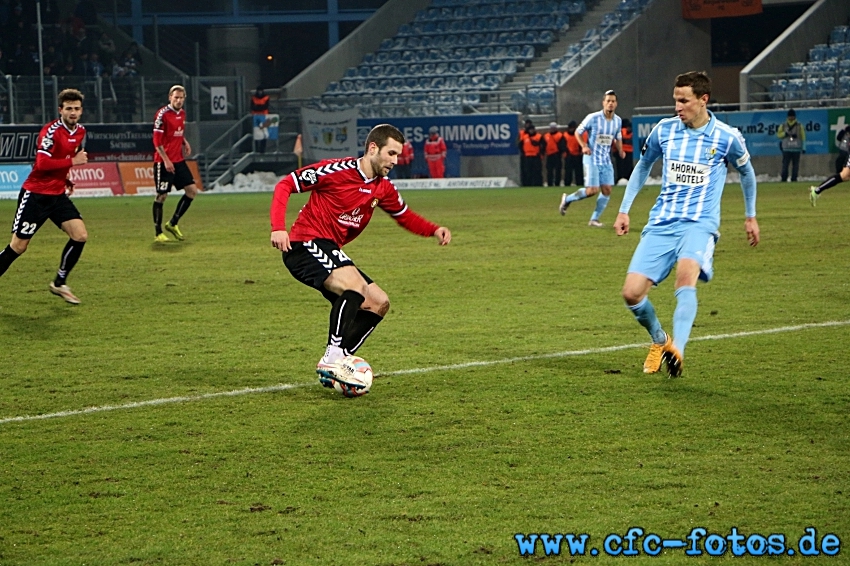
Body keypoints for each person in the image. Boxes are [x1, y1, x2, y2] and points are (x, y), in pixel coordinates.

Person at [270, 123, 451, 388]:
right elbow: (286, 184)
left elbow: (405, 216)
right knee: (355, 286)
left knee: (378, 302)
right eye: (391, 153)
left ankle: (340, 362)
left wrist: (434, 230)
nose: (394, 161)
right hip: (303, 244)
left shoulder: (383, 188)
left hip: (329, 248)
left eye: (398, 156)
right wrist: (278, 228)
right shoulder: (335, 171)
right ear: (373, 148)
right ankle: (332, 358)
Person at [613, 71, 759, 377]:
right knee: (631, 293)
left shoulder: (726, 137)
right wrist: (624, 210)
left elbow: (747, 174)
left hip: (699, 224)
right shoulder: (664, 131)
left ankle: (677, 349)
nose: (678, 106)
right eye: (675, 100)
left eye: (684, 100)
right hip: (662, 222)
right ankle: (661, 340)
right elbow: (642, 167)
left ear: (703, 100)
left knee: (685, 278)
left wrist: (750, 216)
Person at [0, 88, 89, 304]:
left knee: (80, 235)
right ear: (60, 110)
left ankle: (59, 283)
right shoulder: (50, 132)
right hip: (36, 195)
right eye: (69, 109)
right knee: (18, 246)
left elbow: (64, 156)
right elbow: (42, 164)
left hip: (57, 195)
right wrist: (72, 162)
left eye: (76, 108)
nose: (73, 112)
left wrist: (65, 178)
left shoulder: (80, 131)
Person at [559, 90, 625, 226]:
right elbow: (578, 132)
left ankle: (594, 219)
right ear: (603, 103)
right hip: (592, 158)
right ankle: (568, 199)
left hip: (606, 160)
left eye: (613, 101)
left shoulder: (617, 121)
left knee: (607, 190)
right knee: (592, 191)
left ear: (616, 104)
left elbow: (618, 137)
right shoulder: (593, 118)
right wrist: (584, 146)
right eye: (608, 101)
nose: (610, 104)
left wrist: (620, 150)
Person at [151, 85, 199, 243]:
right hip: (163, 161)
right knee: (162, 196)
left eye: (181, 98)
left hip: (178, 160)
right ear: (170, 97)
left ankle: (172, 223)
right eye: (175, 97)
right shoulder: (162, 114)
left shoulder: (182, 114)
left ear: (184, 98)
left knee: (192, 190)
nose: (178, 100)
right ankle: (158, 232)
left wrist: (185, 142)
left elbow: (177, 132)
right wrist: (165, 160)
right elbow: (157, 141)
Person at [776, 108, 805, 182]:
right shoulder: (783, 125)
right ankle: (784, 178)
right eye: (790, 116)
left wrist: (804, 147)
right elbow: (778, 135)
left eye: (792, 116)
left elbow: (803, 137)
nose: (791, 118)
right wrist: (785, 134)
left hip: (796, 148)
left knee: (795, 166)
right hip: (786, 149)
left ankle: (794, 179)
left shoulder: (799, 125)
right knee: (785, 165)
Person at [543, 121, 566, 187]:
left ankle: (557, 183)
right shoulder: (546, 136)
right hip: (549, 155)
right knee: (549, 170)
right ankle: (550, 183)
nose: (552, 129)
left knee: (558, 170)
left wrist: (562, 152)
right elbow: (544, 145)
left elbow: (563, 145)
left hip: (557, 155)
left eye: (553, 128)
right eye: (551, 128)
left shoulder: (560, 135)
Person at [563, 120, 583, 187]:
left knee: (579, 172)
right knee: (568, 172)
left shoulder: (579, 135)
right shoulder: (565, 135)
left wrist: (580, 151)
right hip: (569, 156)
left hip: (577, 155)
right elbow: (562, 145)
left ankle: (579, 183)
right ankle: (567, 184)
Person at [250, 87, 270, 154]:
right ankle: (256, 150)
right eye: (259, 91)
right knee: (256, 134)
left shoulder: (266, 97)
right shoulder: (253, 98)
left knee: (264, 134)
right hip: (256, 118)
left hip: (264, 117)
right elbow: (252, 107)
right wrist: (261, 107)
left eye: (261, 91)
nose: (260, 92)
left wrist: (257, 107)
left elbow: (265, 107)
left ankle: (262, 150)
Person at [614, 118, 633, 182]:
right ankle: (627, 179)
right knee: (628, 167)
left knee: (620, 167)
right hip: (629, 151)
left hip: (619, 151)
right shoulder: (629, 131)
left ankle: (621, 179)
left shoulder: (618, 130)